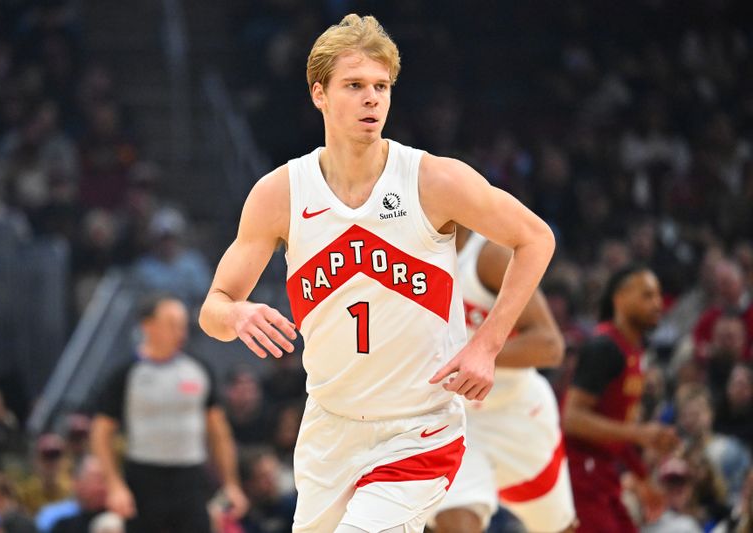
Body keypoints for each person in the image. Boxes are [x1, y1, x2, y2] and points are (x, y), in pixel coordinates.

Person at [199, 14, 555, 532]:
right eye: (355, 86)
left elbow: (535, 237)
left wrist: (487, 344)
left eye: (381, 86)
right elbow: (212, 307)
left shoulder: (433, 179)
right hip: (328, 429)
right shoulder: (281, 193)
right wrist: (234, 313)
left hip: (419, 429)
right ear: (318, 93)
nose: (372, 99)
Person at [431, 229, 576, 532]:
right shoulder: (400, 256)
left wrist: (478, 356)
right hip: (455, 417)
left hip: (516, 412)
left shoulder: (486, 257)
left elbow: (550, 345)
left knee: (558, 527)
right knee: (453, 522)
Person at [90, 294, 248, 533]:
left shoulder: (198, 369)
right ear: (148, 325)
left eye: (183, 324)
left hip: (191, 478)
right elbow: (101, 434)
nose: (180, 331)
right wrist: (114, 486)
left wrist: (231, 484)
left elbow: (219, 433)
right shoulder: (125, 374)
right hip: (143, 478)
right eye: (172, 323)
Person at [563, 264, 679, 533]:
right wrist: (640, 434)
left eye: (658, 296)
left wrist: (643, 477)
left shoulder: (632, 352)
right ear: (620, 298)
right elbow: (571, 419)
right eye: (647, 295)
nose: (657, 304)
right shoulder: (603, 347)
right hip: (579, 473)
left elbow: (616, 427)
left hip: (602, 474)